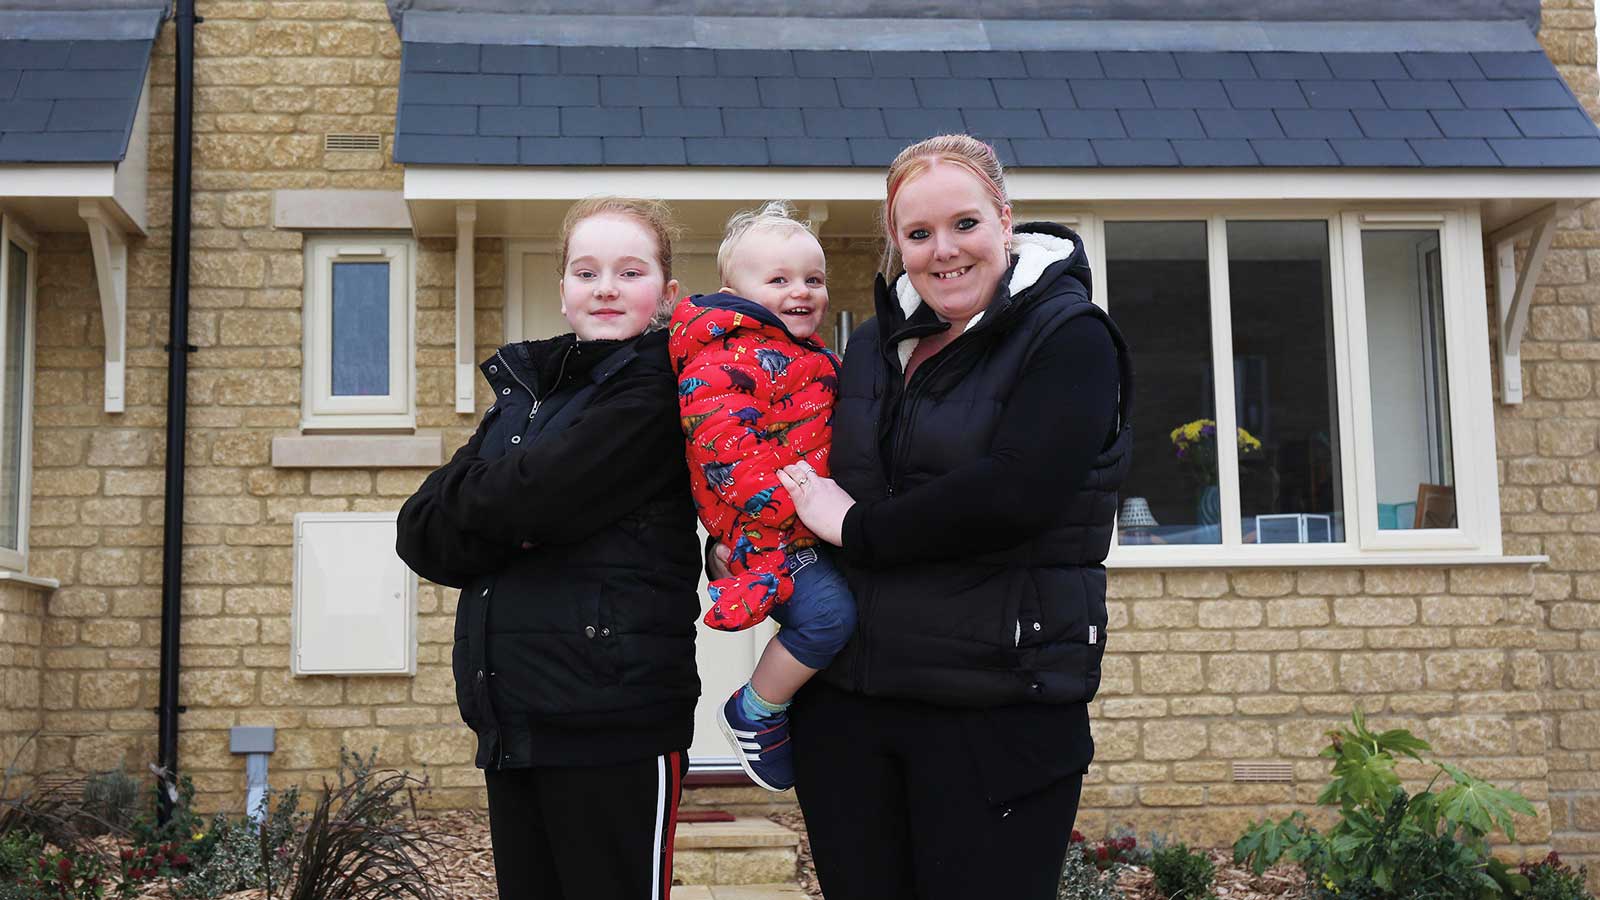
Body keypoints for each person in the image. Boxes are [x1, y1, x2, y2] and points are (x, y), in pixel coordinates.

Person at [761, 134, 1133, 899]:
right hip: (851, 708)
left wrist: (856, 528)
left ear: (1005, 219)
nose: (943, 252)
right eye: (918, 233)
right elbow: (811, 474)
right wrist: (750, 544)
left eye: (964, 224)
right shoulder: (871, 345)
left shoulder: (1070, 337)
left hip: (995, 711)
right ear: (897, 242)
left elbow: (1015, 494)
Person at [396, 197, 701, 900]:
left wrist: (500, 507)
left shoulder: (659, 390)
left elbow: (536, 494)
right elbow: (420, 531)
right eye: (586, 271)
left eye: (631, 271)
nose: (605, 288)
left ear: (668, 294)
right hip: (515, 719)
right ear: (562, 289)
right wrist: (513, 515)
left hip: (611, 726)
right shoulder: (526, 395)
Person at [666, 201, 856, 793]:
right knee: (828, 617)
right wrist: (795, 509)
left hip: (805, 524)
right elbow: (724, 452)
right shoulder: (724, 357)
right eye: (779, 281)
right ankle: (756, 709)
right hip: (768, 531)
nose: (801, 292)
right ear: (734, 291)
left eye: (813, 279)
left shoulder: (811, 355)